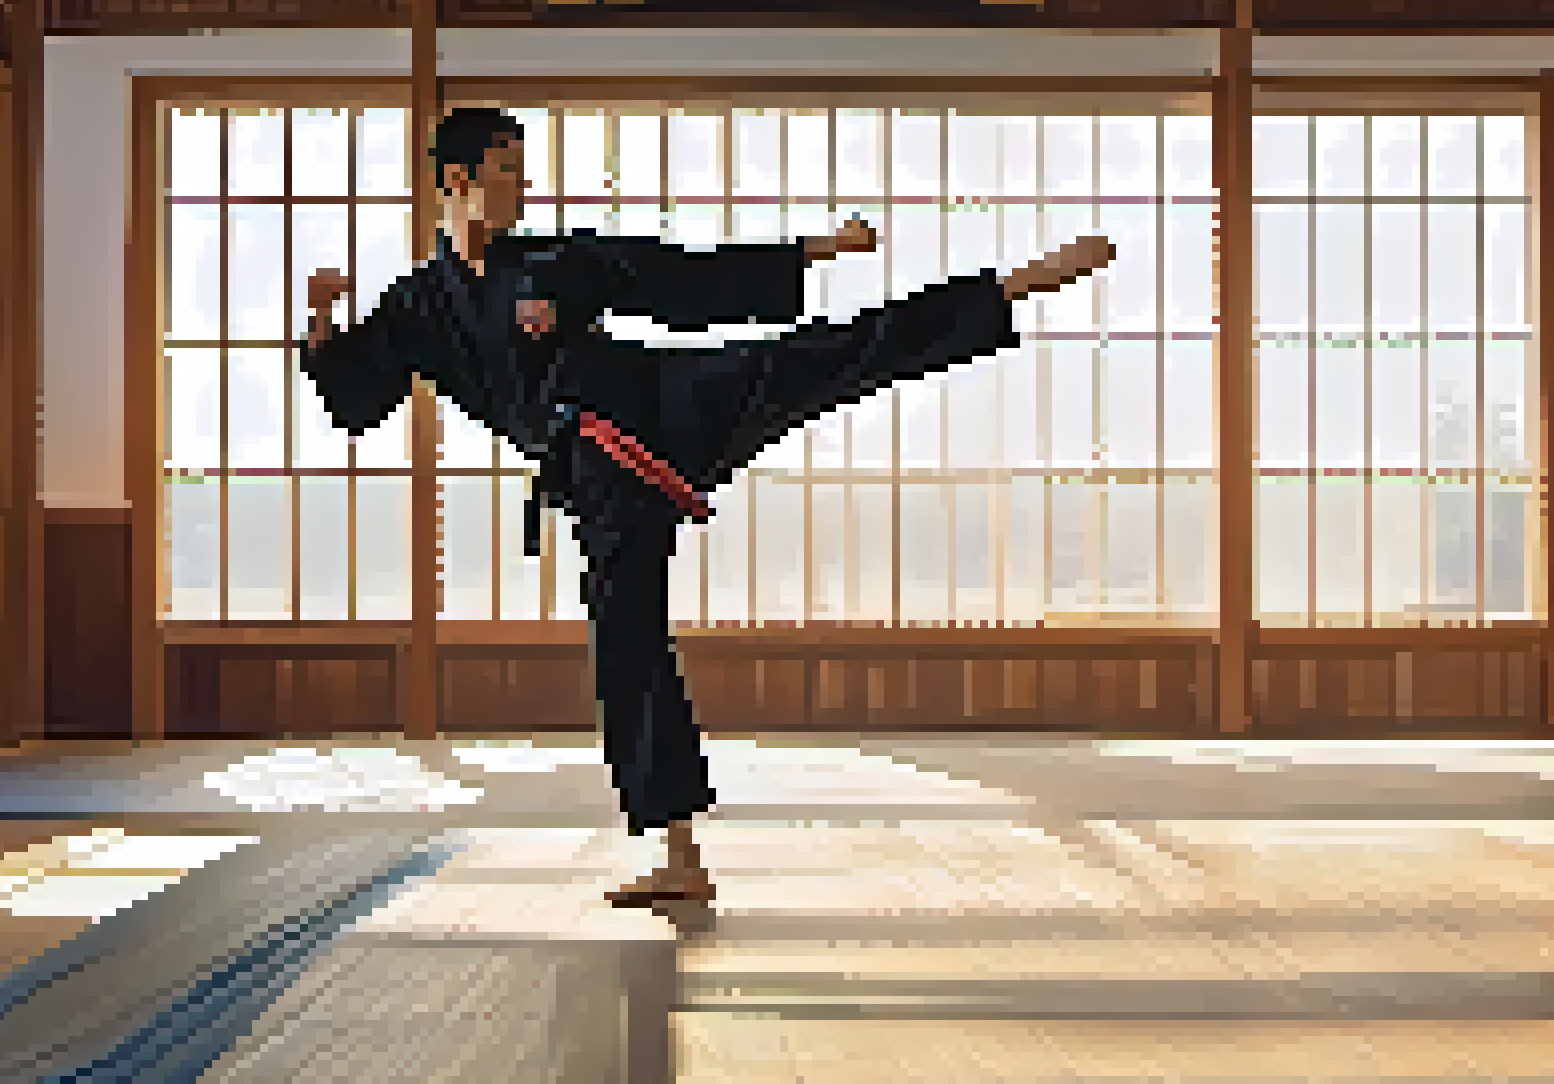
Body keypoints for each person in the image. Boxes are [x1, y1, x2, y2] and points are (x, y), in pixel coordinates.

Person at [297, 108, 1115, 911]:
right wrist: (323, 320)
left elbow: (679, 282)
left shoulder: (552, 262)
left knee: (813, 360)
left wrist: (815, 249)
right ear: (458, 180)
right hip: (598, 476)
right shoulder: (417, 309)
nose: (522, 185)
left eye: (521, 168)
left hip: (668, 403)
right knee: (627, 642)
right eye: (508, 169)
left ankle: (1008, 287)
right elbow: (357, 397)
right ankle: (678, 854)